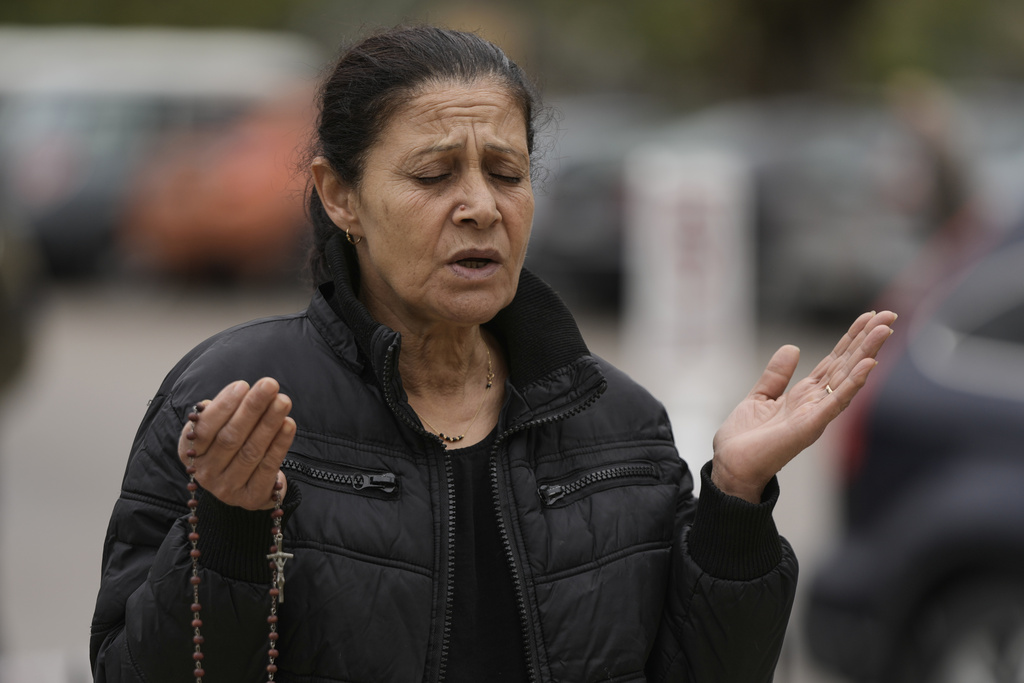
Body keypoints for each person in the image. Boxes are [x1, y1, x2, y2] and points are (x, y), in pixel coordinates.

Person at [90, 25, 896, 683]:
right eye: (435, 174)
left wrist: (735, 502)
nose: (480, 207)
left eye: (506, 172)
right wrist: (230, 529)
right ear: (341, 196)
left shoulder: (619, 424)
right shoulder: (233, 401)